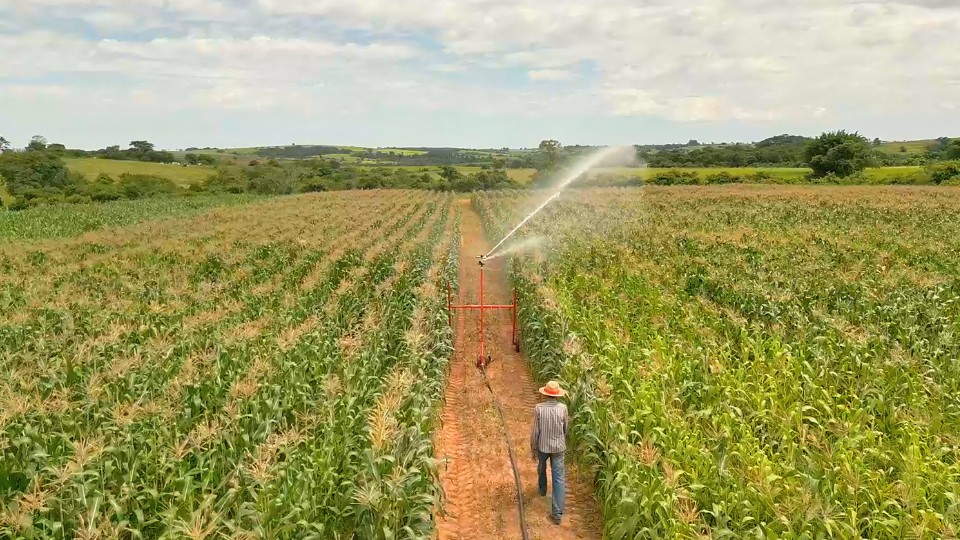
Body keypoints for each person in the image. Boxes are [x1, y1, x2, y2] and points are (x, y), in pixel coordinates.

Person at [530, 380, 569, 525]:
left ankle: (542, 489)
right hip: (558, 448)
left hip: (543, 446)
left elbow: (536, 431)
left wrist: (534, 448)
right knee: (558, 478)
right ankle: (557, 514)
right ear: (558, 395)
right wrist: (561, 440)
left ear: (545, 394)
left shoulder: (539, 408)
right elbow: (566, 429)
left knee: (541, 467)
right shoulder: (563, 408)